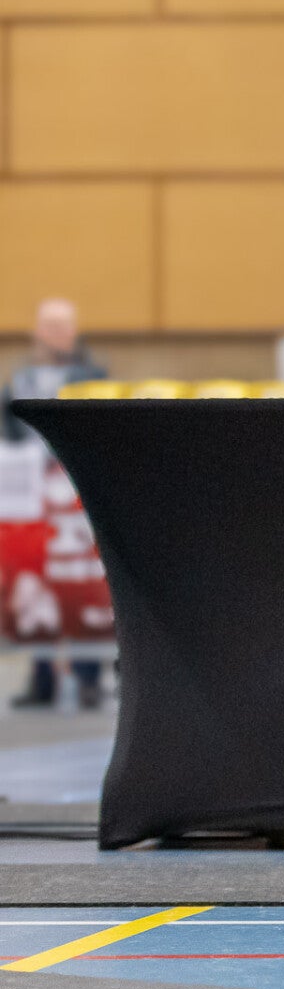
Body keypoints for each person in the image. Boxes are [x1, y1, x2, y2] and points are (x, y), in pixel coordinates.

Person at [4, 298, 109, 710]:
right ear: (38, 332)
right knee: (34, 587)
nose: (57, 335)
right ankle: (42, 677)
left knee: (83, 584)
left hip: (76, 498)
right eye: (50, 327)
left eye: (64, 327)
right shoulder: (19, 381)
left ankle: (87, 676)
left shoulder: (93, 378)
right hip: (33, 501)